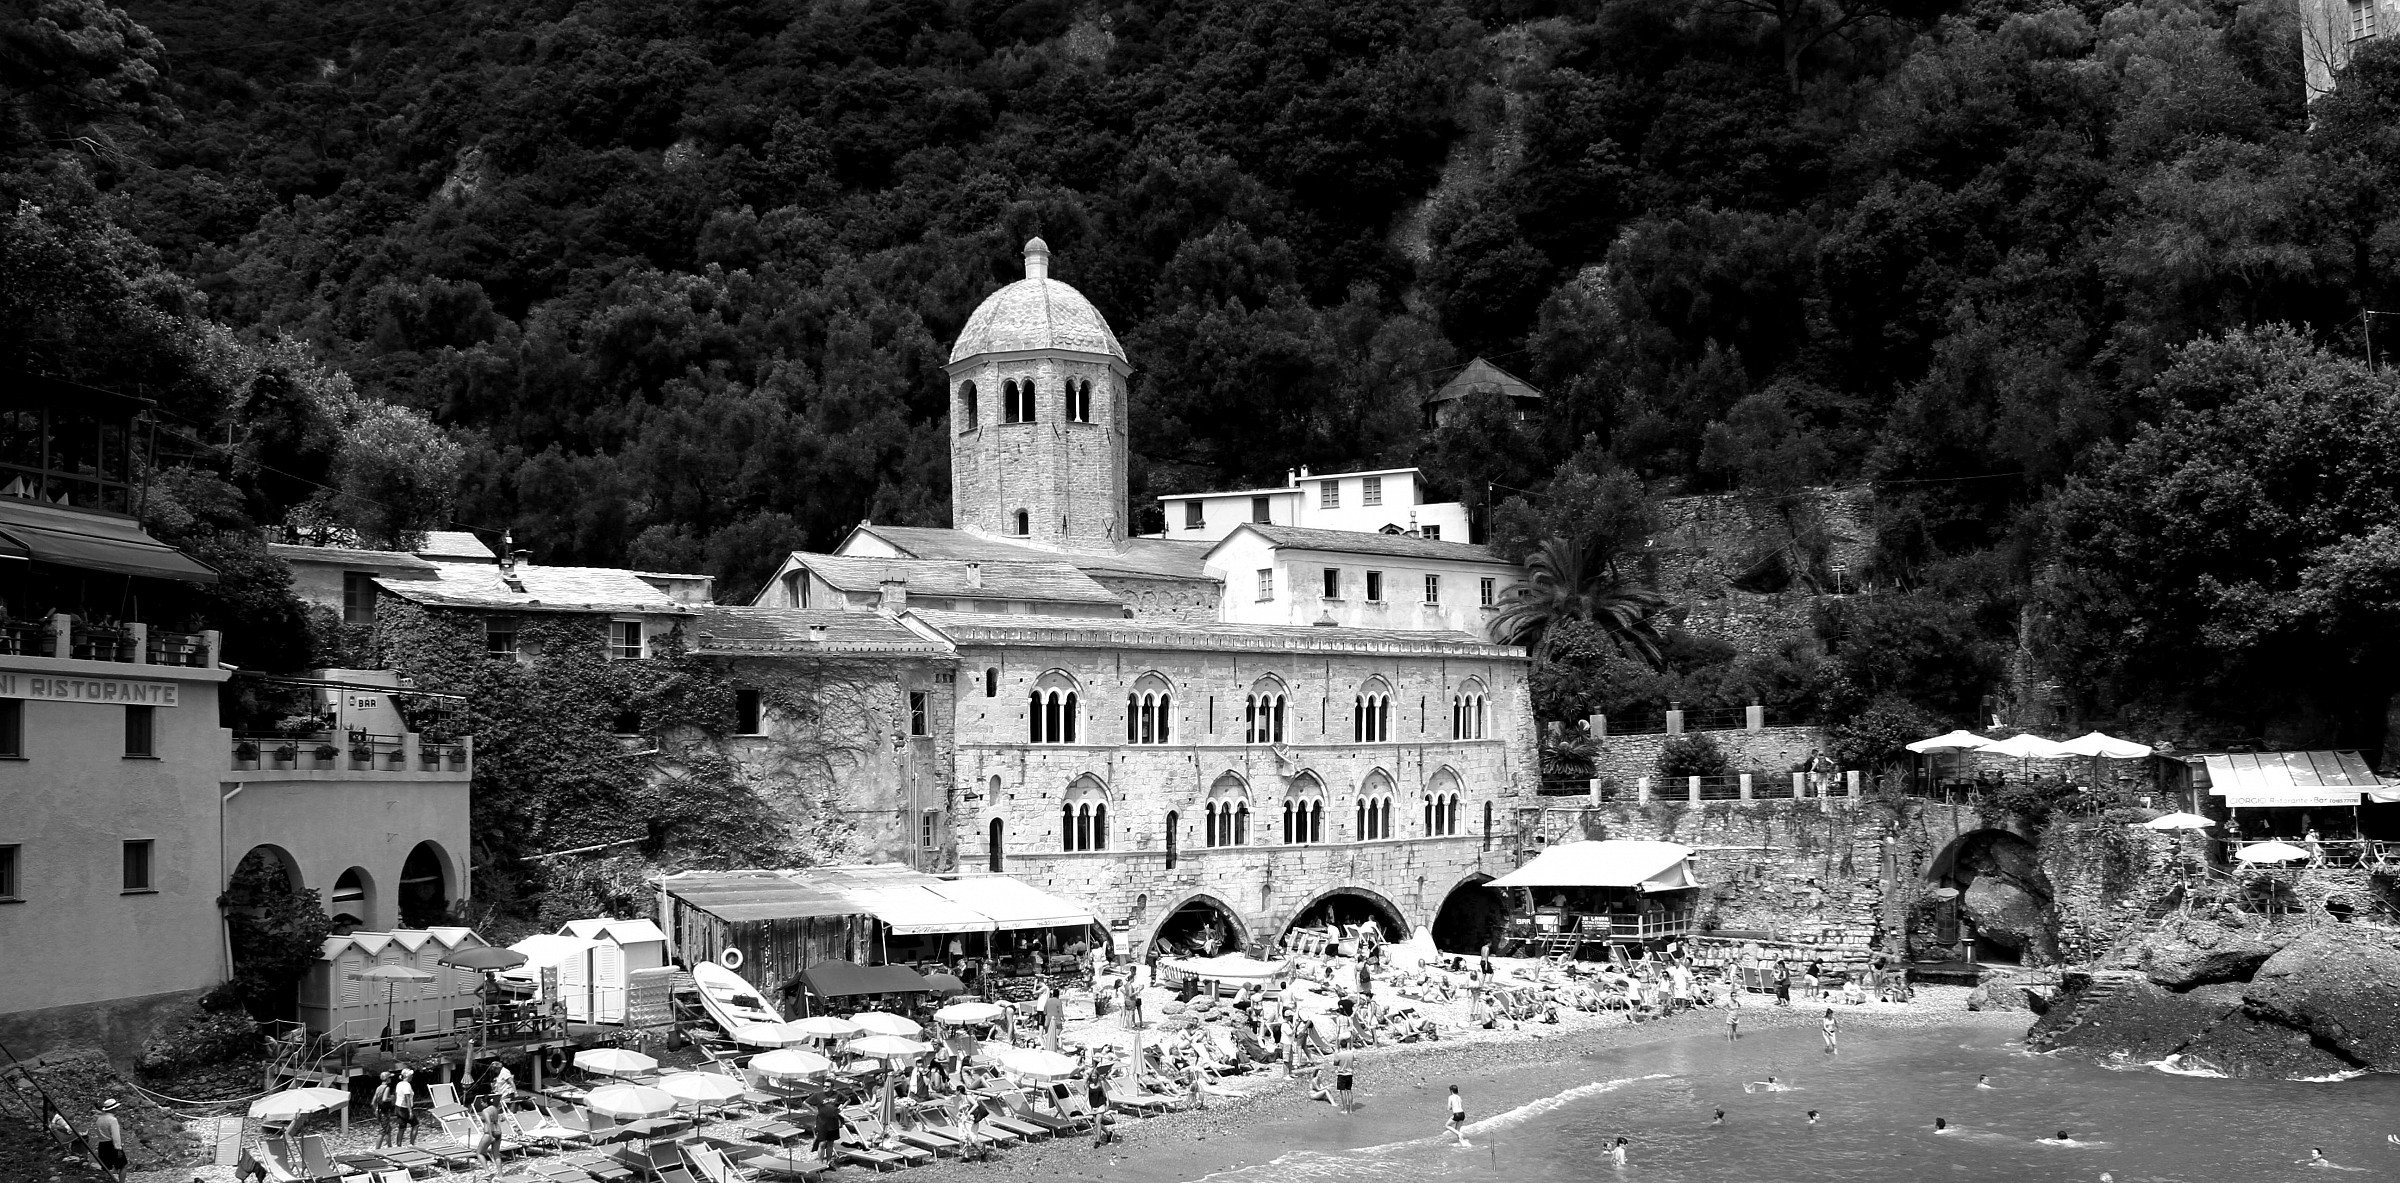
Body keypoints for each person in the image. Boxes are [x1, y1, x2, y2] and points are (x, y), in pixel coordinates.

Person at [91, 1098, 127, 1183]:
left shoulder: (99, 1119)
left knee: (106, 1168)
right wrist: (118, 1148)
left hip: (102, 1144)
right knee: (123, 1165)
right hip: (111, 1144)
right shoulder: (112, 1120)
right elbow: (115, 1135)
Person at [372, 1070, 399, 1148]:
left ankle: (390, 1147)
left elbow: (373, 1102)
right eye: (390, 1078)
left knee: (388, 1129)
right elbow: (384, 1099)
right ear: (387, 1079)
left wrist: (376, 1110)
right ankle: (377, 1150)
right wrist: (391, 1098)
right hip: (385, 1111)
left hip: (380, 1111)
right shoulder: (386, 1088)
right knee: (383, 1131)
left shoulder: (378, 1088)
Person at [812, 1094, 843, 1163]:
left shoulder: (837, 1094)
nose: (825, 1088)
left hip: (833, 1123)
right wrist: (814, 1110)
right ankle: (820, 1163)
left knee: (830, 1143)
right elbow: (806, 1103)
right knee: (822, 1143)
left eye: (827, 1086)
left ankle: (829, 1163)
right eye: (825, 1086)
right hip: (822, 1124)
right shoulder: (818, 1095)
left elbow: (848, 1100)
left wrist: (841, 1108)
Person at [393, 1068, 420, 1145]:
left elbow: (396, 1095)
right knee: (415, 1124)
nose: (412, 1077)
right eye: (411, 1076)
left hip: (398, 1107)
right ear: (408, 1076)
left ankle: (399, 1145)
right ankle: (412, 1143)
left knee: (402, 1127)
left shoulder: (399, 1084)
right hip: (405, 1108)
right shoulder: (407, 1085)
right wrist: (410, 1111)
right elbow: (407, 1099)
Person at [1333, 1042, 1357, 1115]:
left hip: (1342, 1074)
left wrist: (1335, 1054)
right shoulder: (1351, 1053)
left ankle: (1344, 1109)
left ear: (1340, 1046)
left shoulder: (1339, 1055)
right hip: (1349, 1074)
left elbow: (1335, 1063)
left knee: (1342, 1092)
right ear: (1347, 1045)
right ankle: (1350, 1109)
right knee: (1349, 1091)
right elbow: (1353, 1059)